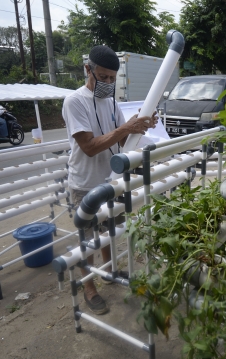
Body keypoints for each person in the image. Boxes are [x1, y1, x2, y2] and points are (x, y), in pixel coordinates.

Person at [62, 45, 158, 315]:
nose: (107, 83)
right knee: (88, 238)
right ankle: (89, 287)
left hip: (111, 179)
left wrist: (140, 126)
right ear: (87, 69)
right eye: (102, 77)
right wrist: (125, 127)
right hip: (85, 183)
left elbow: (123, 139)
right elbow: (90, 146)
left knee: (108, 231)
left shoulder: (113, 104)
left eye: (112, 78)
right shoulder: (75, 101)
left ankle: (109, 270)